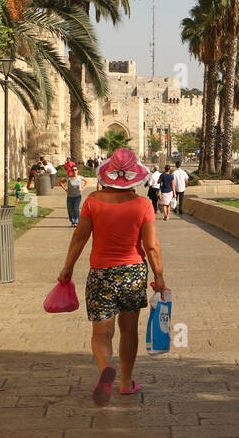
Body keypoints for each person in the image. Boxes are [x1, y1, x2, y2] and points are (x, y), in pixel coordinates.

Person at [58, 148, 168, 405]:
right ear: (134, 176)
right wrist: (159, 276)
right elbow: (152, 246)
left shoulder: (93, 201)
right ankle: (126, 382)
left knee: (101, 331)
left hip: (101, 273)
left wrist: (68, 267)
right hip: (132, 272)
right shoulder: (143, 205)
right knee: (129, 330)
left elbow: (80, 237)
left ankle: (105, 368)